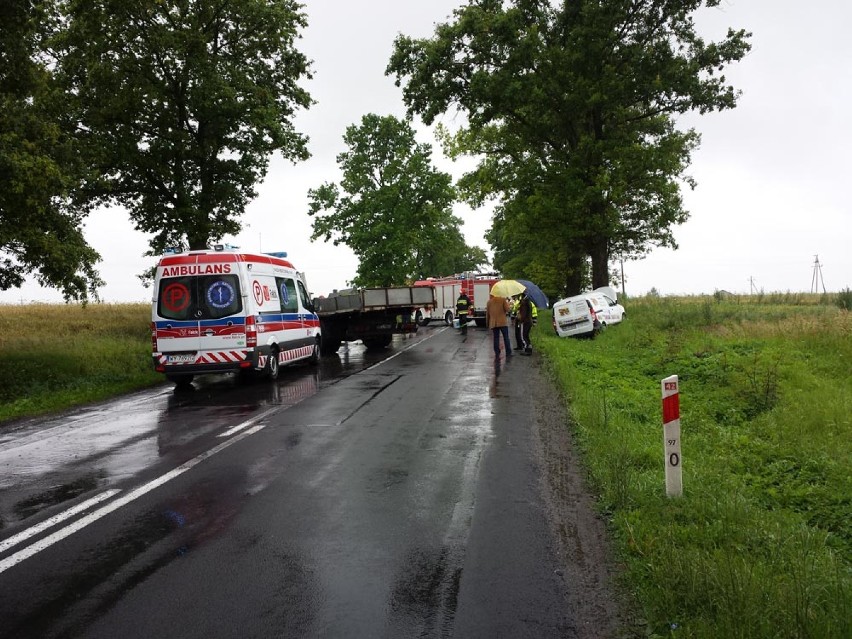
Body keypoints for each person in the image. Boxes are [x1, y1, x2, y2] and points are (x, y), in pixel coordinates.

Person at [485, 293, 512, 357]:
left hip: (494, 323)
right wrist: (509, 306)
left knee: (496, 338)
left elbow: (487, 314)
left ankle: (497, 352)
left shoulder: (489, 302)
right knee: (506, 338)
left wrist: (487, 323)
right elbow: (508, 310)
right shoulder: (503, 300)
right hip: (503, 322)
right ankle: (508, 352)